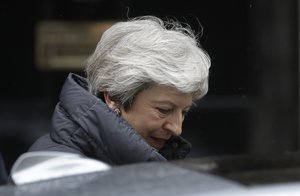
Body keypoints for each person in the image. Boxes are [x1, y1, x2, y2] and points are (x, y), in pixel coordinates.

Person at [28, 16, 211, 165]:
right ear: (113, 97)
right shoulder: (55, 168)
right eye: (163, 110)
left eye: (184, 112)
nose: (177, 128)